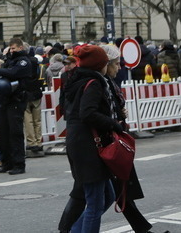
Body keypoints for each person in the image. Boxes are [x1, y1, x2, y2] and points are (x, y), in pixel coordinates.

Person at [60, 44, 117, 233]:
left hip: (78, 143)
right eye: (105, 63)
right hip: (89, 147)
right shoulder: (94, 82)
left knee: (108, 195)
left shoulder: (75, 79)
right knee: (95, 204)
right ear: (98, 65)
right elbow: (88, 113)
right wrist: (112, 123)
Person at [0, 38, 36, 175]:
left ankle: (18, 164)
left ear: (21, 48)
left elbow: (14, 73)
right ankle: (6, 162)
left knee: (14, 133)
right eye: (10, 48)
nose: (11, 51)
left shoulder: (24, 61)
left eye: (14, 48)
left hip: (16, 100)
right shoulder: (9, 61)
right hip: (4, 100)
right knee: (2, 132)